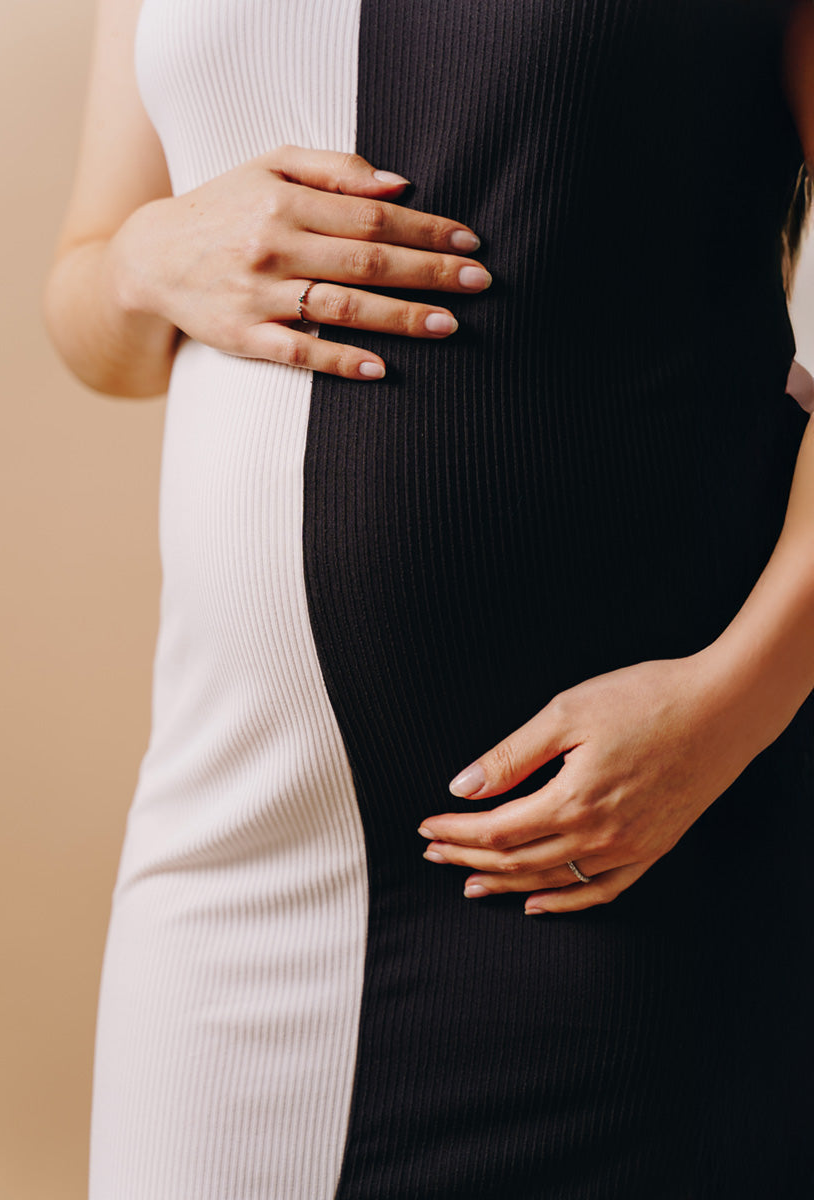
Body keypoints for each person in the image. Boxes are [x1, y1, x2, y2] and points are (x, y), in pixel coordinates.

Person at [43, 2, 814, 1196]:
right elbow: (92, 314)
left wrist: (735, 704)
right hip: (231, 845)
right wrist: (146, 259)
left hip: (617, 851)